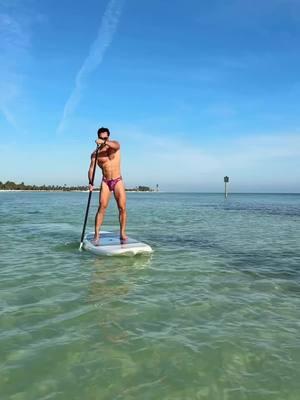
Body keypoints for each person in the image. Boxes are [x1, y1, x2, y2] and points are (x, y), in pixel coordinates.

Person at [88, 127, 127, 245]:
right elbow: (91, 169)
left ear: (108, 137)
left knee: (122, 207)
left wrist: (105, 142)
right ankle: (96, 235)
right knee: (102, 207)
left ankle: (122, 233)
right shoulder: (95, 154)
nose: (104, 139)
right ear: (98, 137)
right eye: (101, 138)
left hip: (117, 180)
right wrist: (91, 182)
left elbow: (117, 146)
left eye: (106, 137)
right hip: (105, 181)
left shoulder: (114, 145)